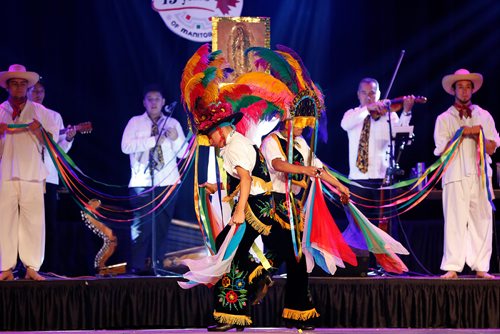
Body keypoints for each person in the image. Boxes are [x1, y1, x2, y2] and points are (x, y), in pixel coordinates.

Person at [261, 121, 350, 330]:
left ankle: (296, 312)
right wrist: (305, 169)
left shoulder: (300, 143)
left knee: (296, 260)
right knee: (290, 255)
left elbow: (318, 168)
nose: (302, 128)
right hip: (272, 203)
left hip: (291, 205)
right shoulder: (271, 140)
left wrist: (339, 186)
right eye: (298, 122)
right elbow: (277, 164)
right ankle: (259, 280)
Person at [434, 69, 499, 279]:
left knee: (482, 218)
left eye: (468, 86)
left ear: (472, 89)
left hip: (480, 175)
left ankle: (481, 267)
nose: (464, 90)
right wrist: (462, 133)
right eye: (460, 86)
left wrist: (477, 132)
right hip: (455, 174)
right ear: (454, 90)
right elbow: (442, 151)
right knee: (454, 220)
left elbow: (491, 147)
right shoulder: (444, 118)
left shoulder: (484, 115)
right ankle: (452, 266)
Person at [0, 64, 59, 281]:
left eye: (22, 84)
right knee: (4, 219)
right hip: (5, 172)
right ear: (7, 87)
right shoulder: (0, 111)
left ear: (28, 87)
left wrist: (40, 131)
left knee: (33, 220)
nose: (18, 88)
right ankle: (5, 267)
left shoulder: (40, 112)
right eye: (14, 84)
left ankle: (32, 267)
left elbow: (53, 145)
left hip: (33, 172)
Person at [121, 84, 188, 275]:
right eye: (149, 99)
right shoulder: (135, 122)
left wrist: (175, 139)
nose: (153, 102)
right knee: (141, 225)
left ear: (163, 102)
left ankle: (158, 264)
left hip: (167, 182)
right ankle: (138, 265)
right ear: (144, 102)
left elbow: (183, 153)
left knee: (162, 225)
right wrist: (154, 140)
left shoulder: (172, 123)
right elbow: (125, 147)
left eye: (157, 99)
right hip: (141, 182)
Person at [340, 78, 415, 239]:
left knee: (384, 227)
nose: (368, 97)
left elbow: (403, 135)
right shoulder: (352, 114)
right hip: (358, 180)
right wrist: (368, 109)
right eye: (364, 93)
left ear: (379, 94)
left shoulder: (389, 116)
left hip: (382, 180)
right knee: (358, 226)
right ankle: (361, 262)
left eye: (372, 93)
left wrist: (406, 112)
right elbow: (345, 125)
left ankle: (383, 263)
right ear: (358, 94)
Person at [27, 80, 77, 274]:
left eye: (41, 91)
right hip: (27, 175)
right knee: (28, 220)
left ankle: (49, 266)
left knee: (48, 221)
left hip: (48, 175)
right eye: (33, 90)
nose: (37, 94)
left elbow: (60, 150)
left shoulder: (54, 117)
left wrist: (70, 138)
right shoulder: (23, 115)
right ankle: (27, 265)